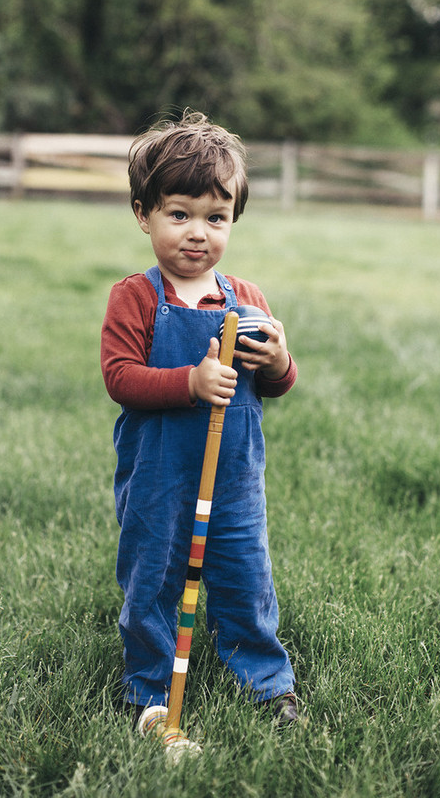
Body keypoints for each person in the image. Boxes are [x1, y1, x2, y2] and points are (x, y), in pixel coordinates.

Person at [101, 110, 299, 725]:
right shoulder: (136, 297)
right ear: (144, 215)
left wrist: (278, 360)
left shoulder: (247, 300)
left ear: (234, 218)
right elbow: (119, 377)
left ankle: (267, 682)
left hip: (233, 478)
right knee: (154, 579)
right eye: (179, 214)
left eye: (216, 218)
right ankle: (151, 688)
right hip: (159, 477)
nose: (198, 233)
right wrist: (190, 381)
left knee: (245, 579)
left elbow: (279, 384)